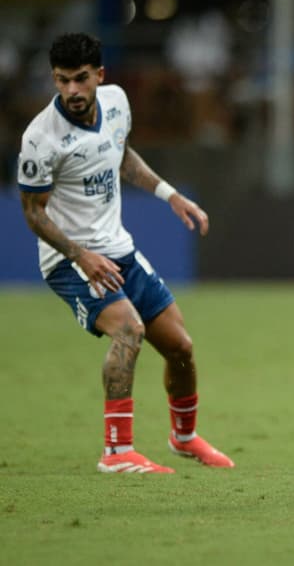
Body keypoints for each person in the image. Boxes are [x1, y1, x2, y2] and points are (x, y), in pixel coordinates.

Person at [17, 32, 234, 473]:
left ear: (100, 75)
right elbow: (33, 214)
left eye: (80, 79)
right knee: (129, 331)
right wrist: (80, 256)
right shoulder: (40, 139)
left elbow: (121, 153)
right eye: (62, 81)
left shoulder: (116, 101)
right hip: (68, 261)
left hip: (119, 249)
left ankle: (184, 438)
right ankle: (117, 452)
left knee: (181, 347)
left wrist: (169, 194)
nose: (72, 91)